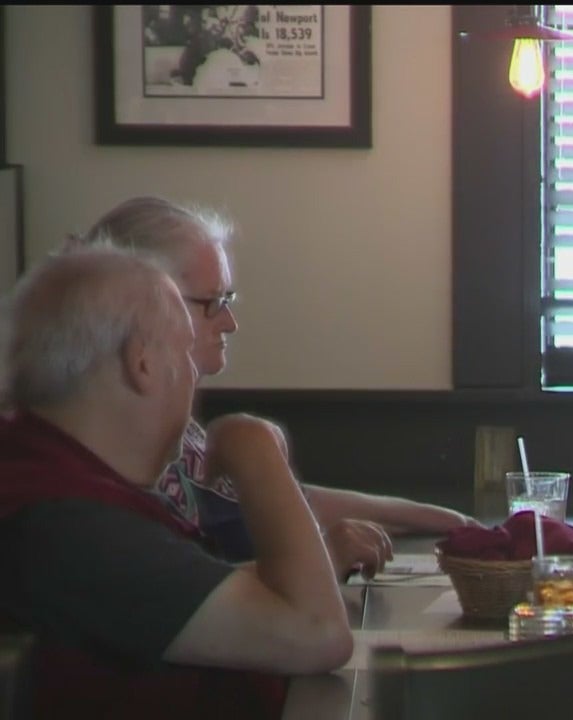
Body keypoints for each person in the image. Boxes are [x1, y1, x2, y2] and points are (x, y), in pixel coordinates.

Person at [0, 245, 352, 719]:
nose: (193, 378)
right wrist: (256, 452)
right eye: (186, 351)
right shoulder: (64, 523)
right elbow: (319, 635)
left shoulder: (51, 486)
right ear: (142, 363)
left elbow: (173, 593)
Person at [75, 196, 478, 576]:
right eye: (213, 302)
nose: (230, 323)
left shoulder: (172, 424)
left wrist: (446, 520)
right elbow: (166, 593)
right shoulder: (115, 447)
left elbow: (284, 502)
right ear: (145, 305)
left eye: (228, 299)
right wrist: (320, 561)